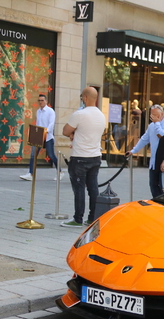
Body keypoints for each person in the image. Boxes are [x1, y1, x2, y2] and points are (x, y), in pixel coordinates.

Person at [60, 87, 106, 227]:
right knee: (93, 188)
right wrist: (76, 134)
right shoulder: (101, 115)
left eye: (81, 97)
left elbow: (65, 131)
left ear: (85, 98)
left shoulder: (79, 114)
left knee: (79, 189)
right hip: (95, 156)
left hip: (80, 156)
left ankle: (77, 218)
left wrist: (73, 134)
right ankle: (92, 217)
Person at [125, 104, 164, 198]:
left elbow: (162, 135)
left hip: (163, 161)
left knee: (163, 187)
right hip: (154, 161)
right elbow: (144, 139)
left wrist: (157, 123)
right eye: (151, 115)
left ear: (161, 114)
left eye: (155, 115)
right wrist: (133, 150)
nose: (152, 117)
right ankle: (156, 204)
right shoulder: (151, 126)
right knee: (153, 185)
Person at [21, 94, 62, 181]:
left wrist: (46, 131)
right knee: (33, 155)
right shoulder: (38, 111)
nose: (40, 102)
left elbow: (51, 124)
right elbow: (38, 123)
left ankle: (60, 172)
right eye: (39, 100)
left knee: (51, 155)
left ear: (46, 101)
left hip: (48, 137)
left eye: (42, 100)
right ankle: (31, 173)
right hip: (38, 137)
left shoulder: (50, 111)